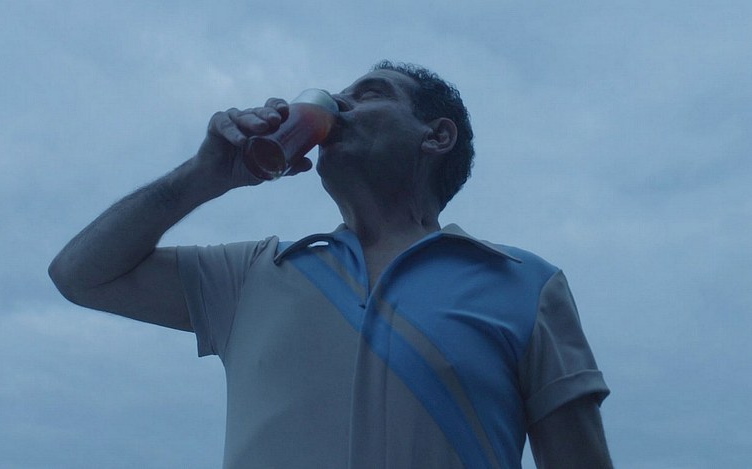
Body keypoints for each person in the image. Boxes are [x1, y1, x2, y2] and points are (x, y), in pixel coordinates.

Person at [49, 60, 613, 468]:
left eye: (369, 94)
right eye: (336, 96)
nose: (337, 107)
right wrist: (204, 175)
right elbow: (80, 275)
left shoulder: (523, 285)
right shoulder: (253, 275)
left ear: (436, 136)